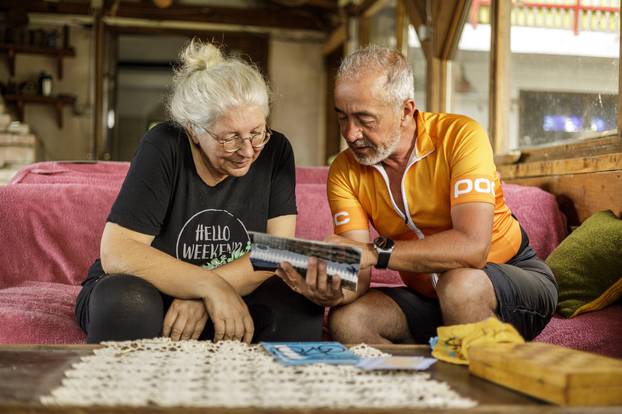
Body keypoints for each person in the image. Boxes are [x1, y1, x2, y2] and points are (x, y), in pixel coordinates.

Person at [276, 45, 558, 344]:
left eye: (364, 119)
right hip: (432, 296)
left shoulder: (460, 136)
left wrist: (375, 253)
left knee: (459, 286)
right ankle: (415, 388)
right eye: (342, 117)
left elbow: (472, 248)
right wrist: (330, 291)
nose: (350, 133)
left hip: (510, 276)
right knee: (348, 319)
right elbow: (356, 275)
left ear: (405, 111)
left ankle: (467, 390)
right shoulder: (345, 170)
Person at [75, 39, 323, 344]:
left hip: (234, 290)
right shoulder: (164, 145)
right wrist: (207, 287)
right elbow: (118, 251)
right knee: (127, 305)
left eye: (257, 132)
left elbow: (278, 251)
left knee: (300, 309)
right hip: (152, 287)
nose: (248, 150)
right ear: (194, 129)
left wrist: (211, 291)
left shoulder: (275, 150)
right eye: (230, 138)